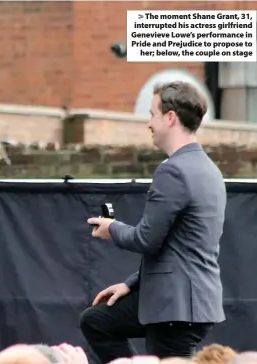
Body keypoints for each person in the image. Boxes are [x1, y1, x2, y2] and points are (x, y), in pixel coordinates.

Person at [81, 81, 227, 363]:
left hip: (175, 308)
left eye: (152, 114)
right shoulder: (210, 170)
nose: (148, 122)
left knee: (97, 322)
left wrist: (111, 228)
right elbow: (178, 245)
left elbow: (146, 239)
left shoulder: (173, 171)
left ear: (170, 117)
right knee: (96, 321)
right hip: (185, 303)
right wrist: (132, 285)